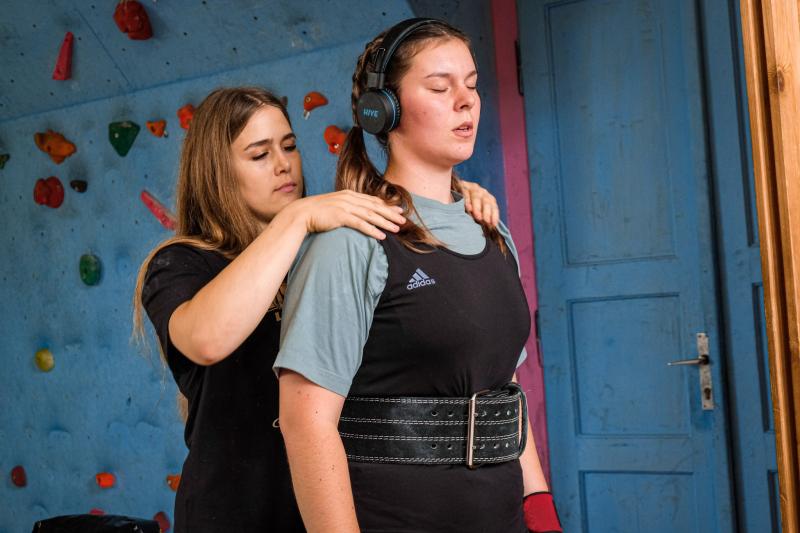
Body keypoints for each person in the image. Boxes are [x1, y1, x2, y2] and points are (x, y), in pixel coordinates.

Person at [132, 86, 501, 533]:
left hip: (336, 506)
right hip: (236, 513)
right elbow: (207, 339)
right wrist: (296, 218)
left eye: (289, 146)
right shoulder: (181, 264)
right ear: (216, 172)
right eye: (259, 154)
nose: (283, 164)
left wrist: (456, 200)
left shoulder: (330, 246)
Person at [275, 19, 563, 533]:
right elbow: (306, 424)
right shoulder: (351, 240)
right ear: (382, 109)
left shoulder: (492, 230)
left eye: (471, 84)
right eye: (439, 87)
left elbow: (502, 386)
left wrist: (539, 509)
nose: (466, 101)